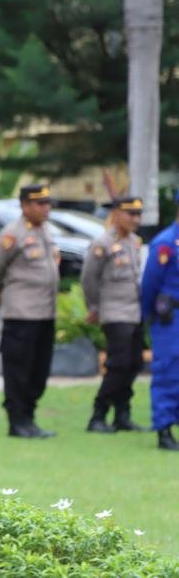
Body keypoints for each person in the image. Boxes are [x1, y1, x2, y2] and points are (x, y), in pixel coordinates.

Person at [0, 183, 60, 438]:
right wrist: (0, 292)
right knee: (19, 370)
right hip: (21, 313)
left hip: (45, 312)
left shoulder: (47, 231)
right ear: (25, 206)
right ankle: (18, 421)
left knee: (39, 369)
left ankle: (30, 416)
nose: (45, 208)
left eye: (47, 203)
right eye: (39, 203)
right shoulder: (12, 234)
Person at [80, 196, 148, 433]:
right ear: (117, 213)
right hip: (115, 312)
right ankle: (98, 415)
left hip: (134, 312)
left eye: (138, 215)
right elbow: (89, 279)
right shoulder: (103, 243)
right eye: (131, 214)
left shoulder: (135, 242)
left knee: (134, 363)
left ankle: (123, 414)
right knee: (118, 364)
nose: (135, 219)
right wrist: (94, 307)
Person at [140, 189, 179, 451]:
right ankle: (164, 429)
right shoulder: (165, 243)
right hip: (171, 319)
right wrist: (148, 316)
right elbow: (149, 285)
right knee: (168, 370)